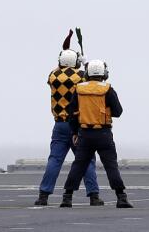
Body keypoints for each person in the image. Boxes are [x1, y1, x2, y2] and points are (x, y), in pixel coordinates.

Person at [59, 60, 132, 209]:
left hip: (85, 133)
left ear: (87, 73)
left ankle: (67, 198)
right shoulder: (108, 89)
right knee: (111, 166)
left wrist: (74, 132)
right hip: (104, 133)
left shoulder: (79, 89)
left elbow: (72, 114)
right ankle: (121, 197)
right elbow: (118, 112)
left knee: (78, 166)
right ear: (104, 73)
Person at [35, 46, 101, 206]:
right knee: (86, 160)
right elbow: (93, 81)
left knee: (55, 160)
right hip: (78, 125)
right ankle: (93, 195)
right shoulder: (81, 77)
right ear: (76, 62)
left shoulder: (53, 76)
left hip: (59, 124)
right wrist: (86, 62)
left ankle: (44, 195)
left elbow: (60, 68)